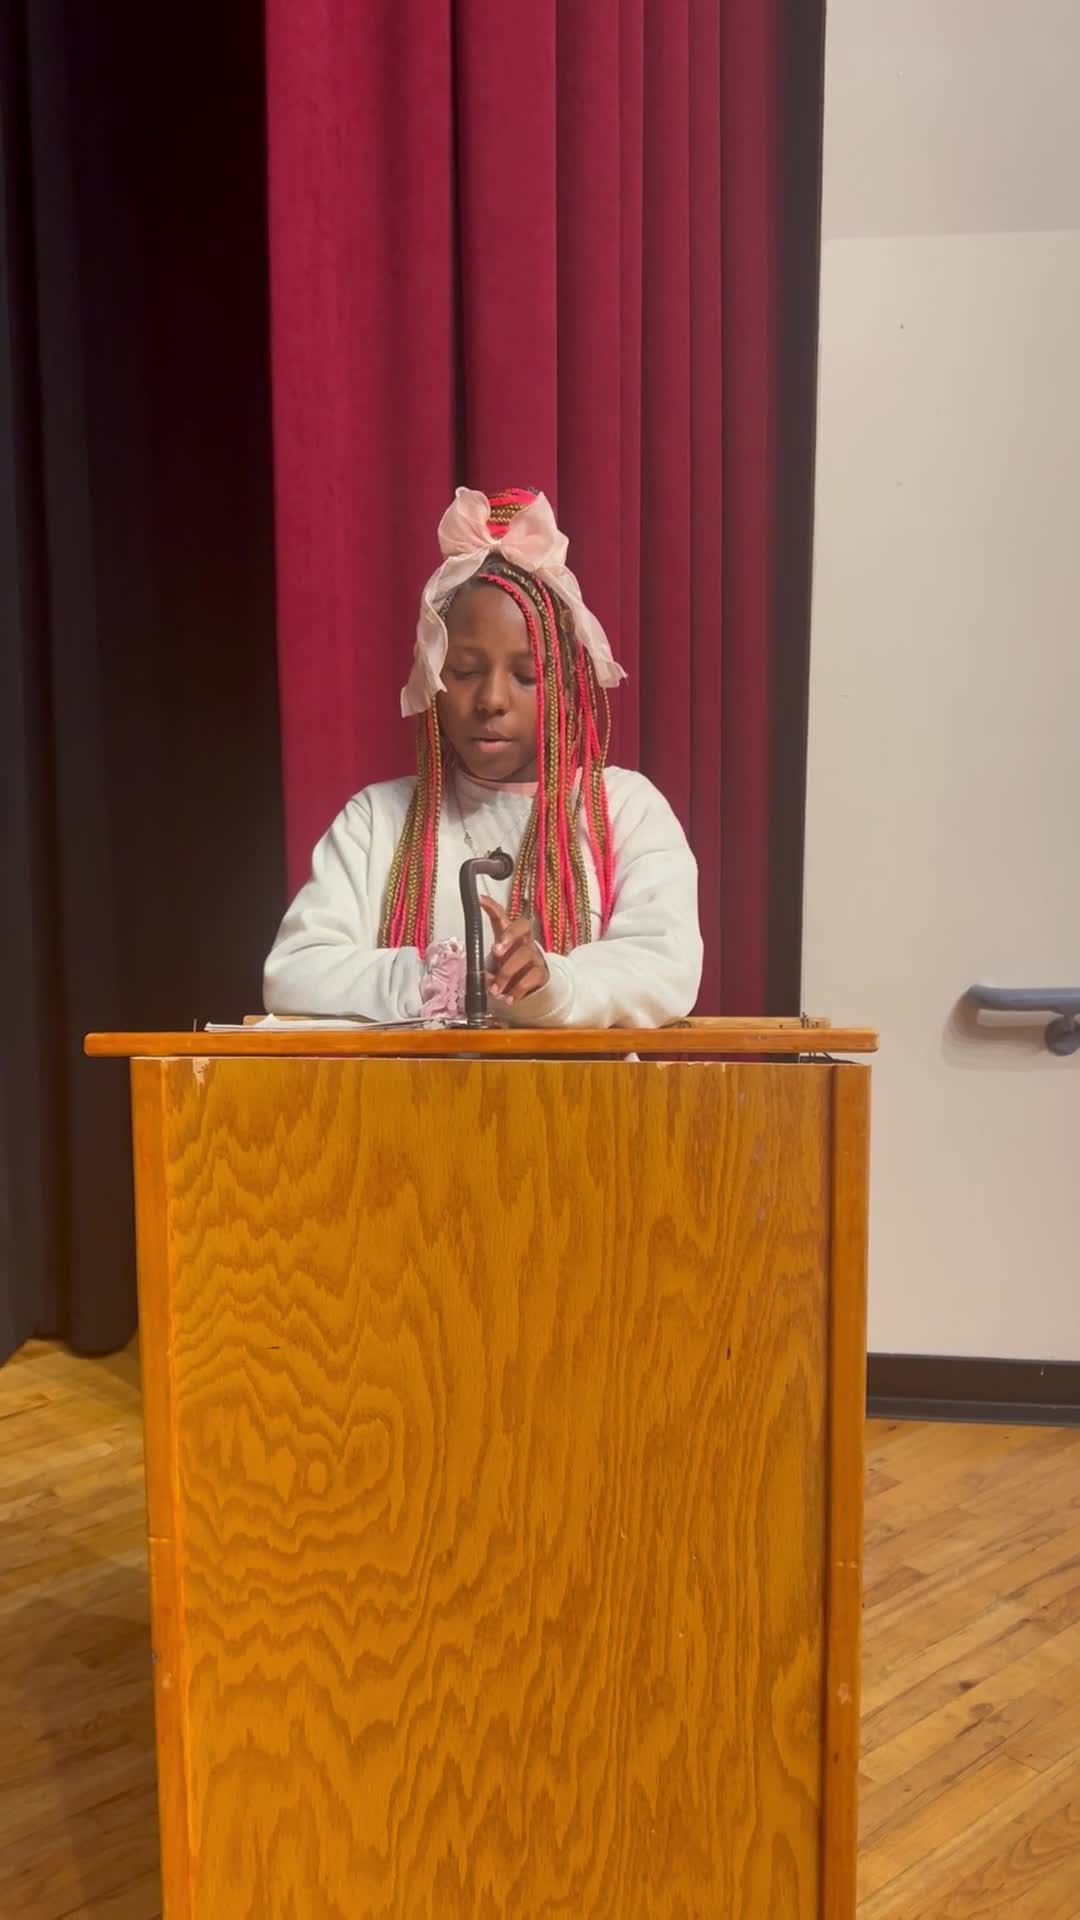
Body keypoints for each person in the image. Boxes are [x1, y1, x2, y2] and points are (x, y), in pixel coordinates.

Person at [264, 487, 703, 1028]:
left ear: (568, 687)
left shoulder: (626, 810)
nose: (492, 699)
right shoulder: (375, 820)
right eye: (466, 671)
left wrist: (553, 982)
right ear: (432, 678)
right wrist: (441, 977)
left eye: (526, 675)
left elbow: (664, 965)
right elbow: (294, 970)